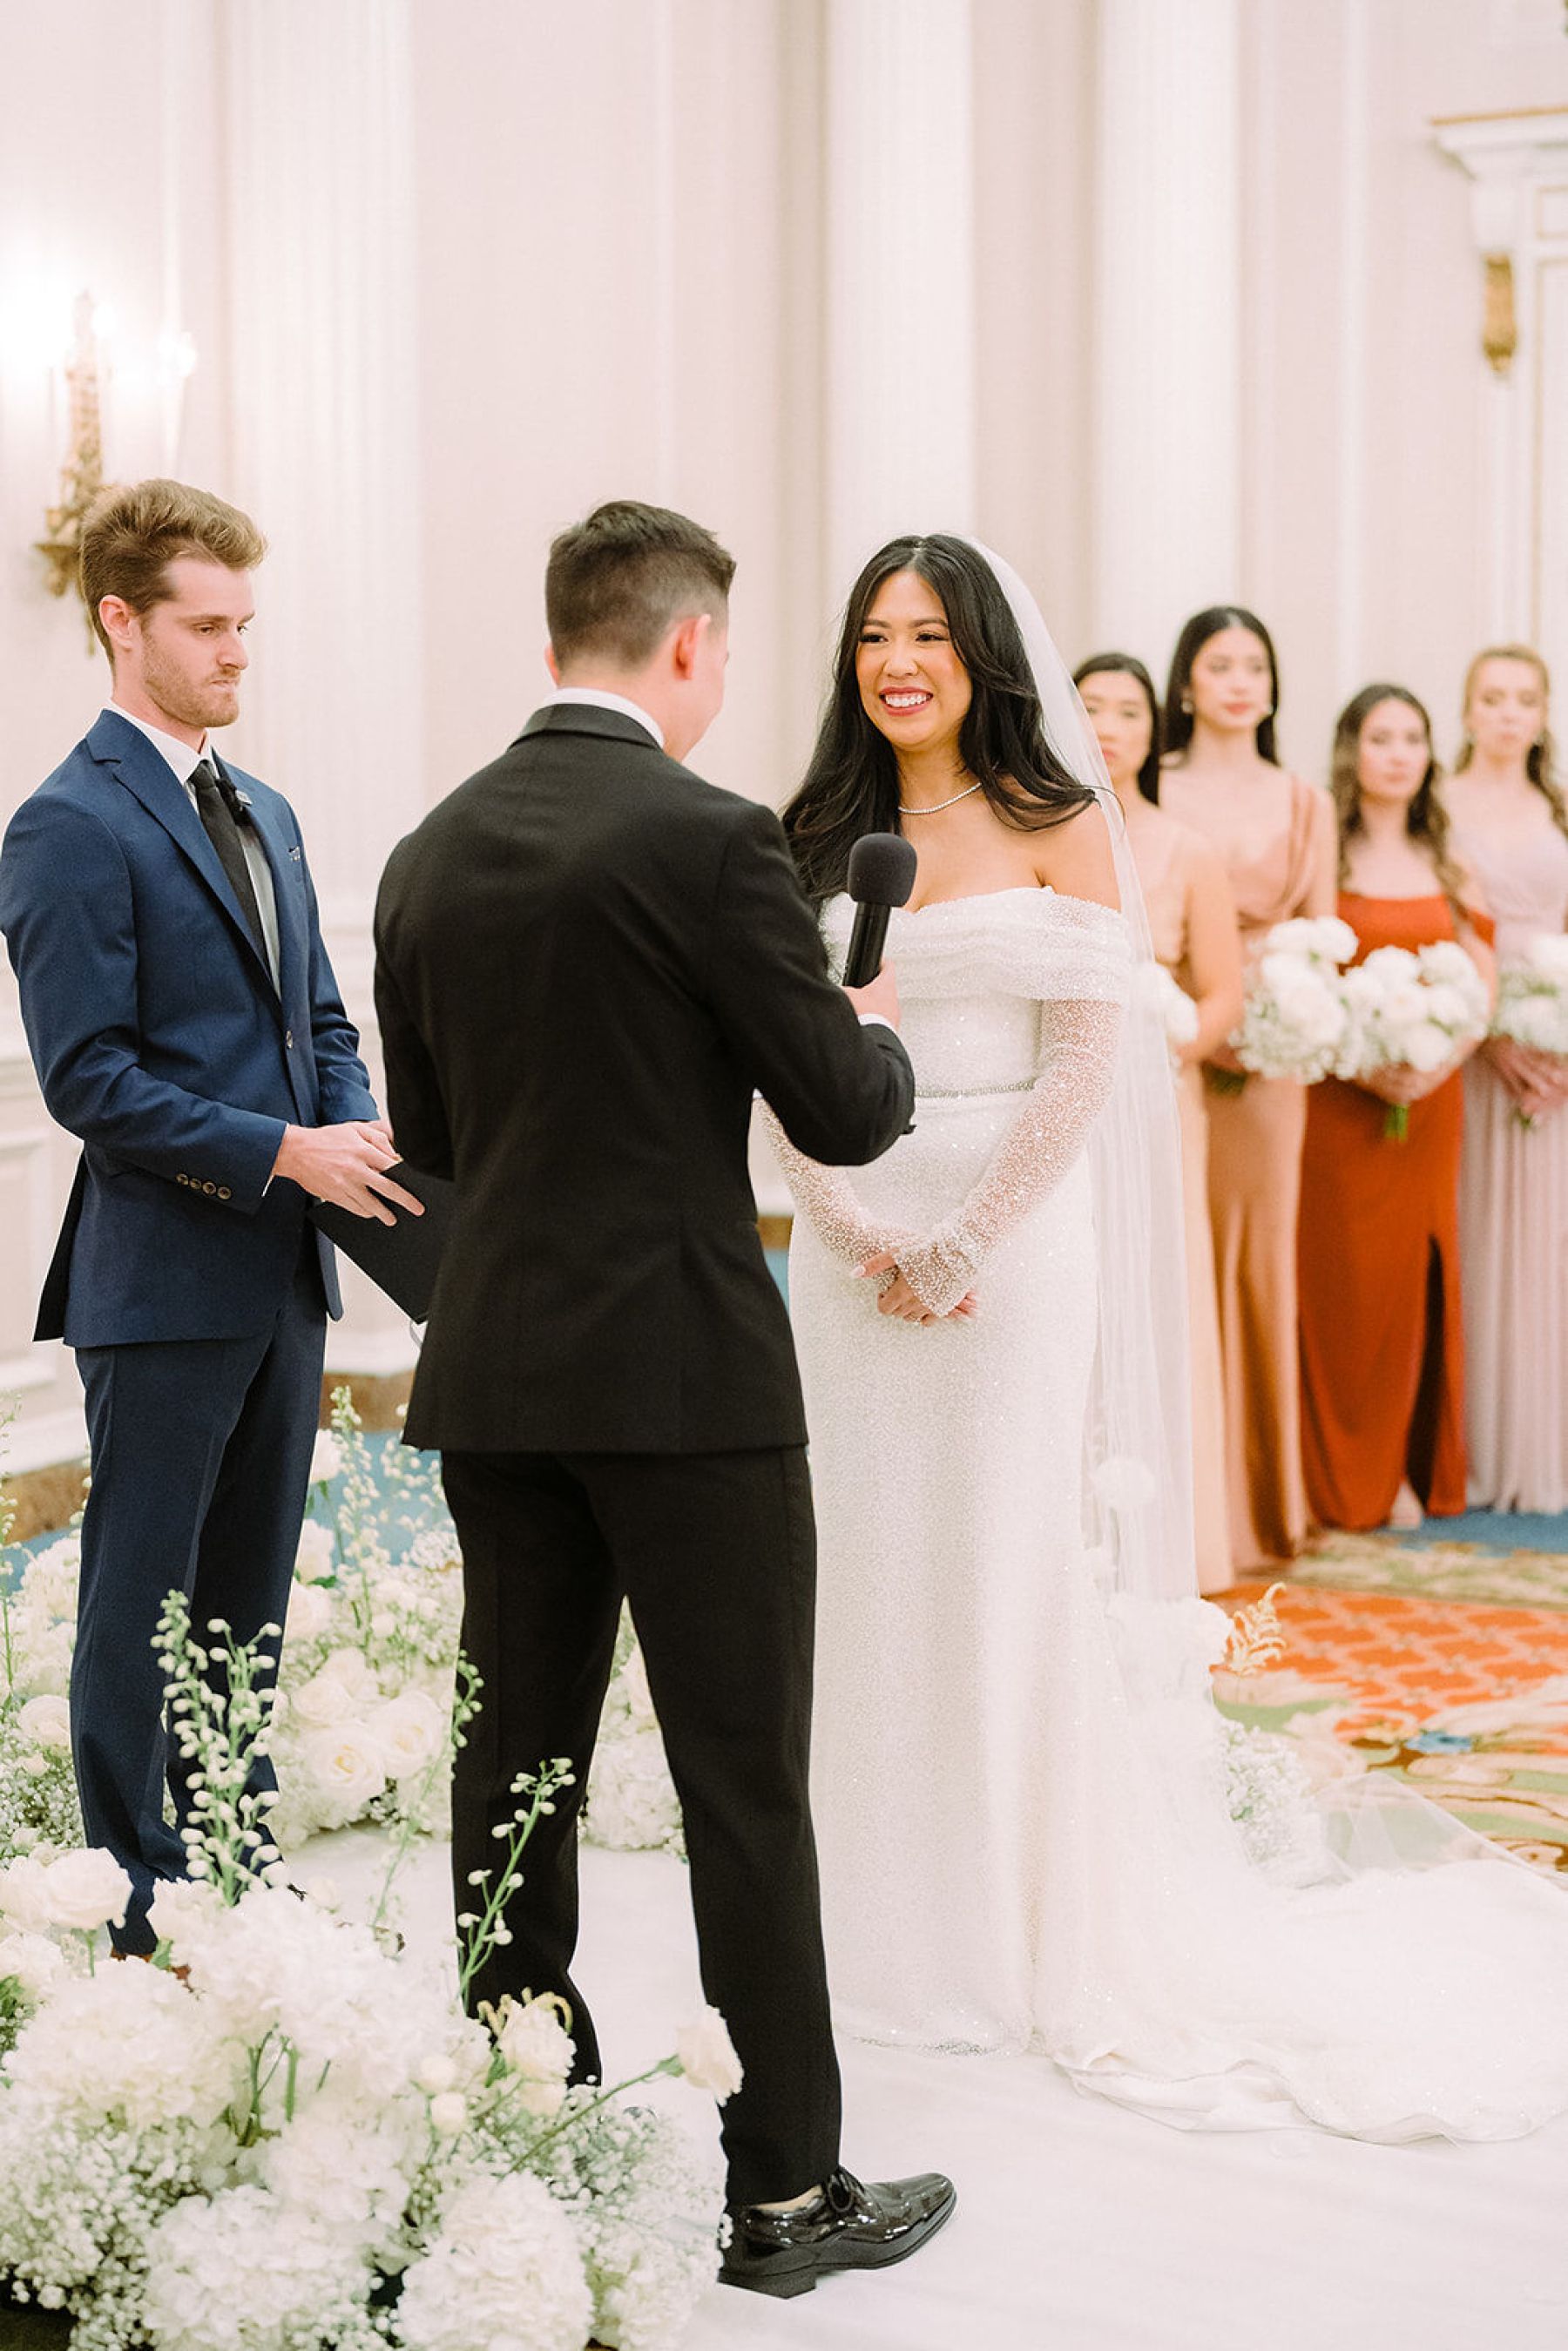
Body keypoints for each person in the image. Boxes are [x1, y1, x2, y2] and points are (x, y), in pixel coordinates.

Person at [767, 530, 1568, 2140]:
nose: (895, 658)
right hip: (853, 1258)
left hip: (1009, 1240)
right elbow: (773, 1059)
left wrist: (968, 1234)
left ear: (984, 651)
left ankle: (1001, 1923)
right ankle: (864, 1914)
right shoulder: (813, 833)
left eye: (926, 631)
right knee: (860, 1565)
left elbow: (1082, 1062)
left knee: (1000, 1559)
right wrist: (854, 1232)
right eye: (872, 633)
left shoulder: (1062, 824)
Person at [372, 500, 954, 2298]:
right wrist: (881, 1028)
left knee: (513, 1772)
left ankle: (516, 2144)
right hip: (690, 1383)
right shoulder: (711, 844)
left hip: (497, 1374)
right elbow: (845, 1108)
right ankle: (783, 2193)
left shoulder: (426, 849)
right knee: (739, 1786)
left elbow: (443, 1146)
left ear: (565, 634)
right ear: (689, 646)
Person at [0, 478, 409, 1955]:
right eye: (208, 623)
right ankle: (138, 1889)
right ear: (121, 621)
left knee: (247, 1590)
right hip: (161, 1275)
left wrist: (350, 1132)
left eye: (247, 621)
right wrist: (282, 1150)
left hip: (285, 1270)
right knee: (141, 1596)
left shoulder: (268, 805)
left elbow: (317, 1010)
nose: (239, 649)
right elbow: (89, 1080)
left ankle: (232, 1854)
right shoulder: (64, 823)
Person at [1160, 608, 1336, 1575]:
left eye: (1255, 665)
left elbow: (1323, 938)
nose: (1240, 680)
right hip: (1169, 1042)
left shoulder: (1306, 800)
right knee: (1177, 1258)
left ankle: (1264, 1505)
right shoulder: (1152, 784)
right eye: (1220, 664)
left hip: (1269, 1062)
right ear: (1184, 684)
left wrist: (1275, 1021)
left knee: (1260, 1259)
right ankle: (1189, 1502)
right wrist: (1195, 1020)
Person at [1297, 686, 1494, 1533]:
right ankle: (1334, 1476)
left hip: (1431, 1097)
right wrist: (1366, 1063)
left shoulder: (1450, 862)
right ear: (1352, 750)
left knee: (1415, 1276)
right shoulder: (1322, 855)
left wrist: (1432, 1059)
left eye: (1414, 737)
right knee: (1339, 1278)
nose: (1399, 753)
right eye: (1382, 737)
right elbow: (1299, 970)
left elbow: (1482, 984)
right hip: (1338, 1096)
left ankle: (1407, 1468)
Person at [1074, 652, 1241, 1591]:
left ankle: (1168, 1534)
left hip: (1159, 1105)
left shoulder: (1184, 847)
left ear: (1153, 730)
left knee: (1157, 1293)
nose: (1107, 724)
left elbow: (1223, 994)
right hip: (1061, 1102)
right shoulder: (1036, 824)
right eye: (1089, 705)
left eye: (1128, 709)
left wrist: (1166, 1037)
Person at [1443, 645, 1568, 1513]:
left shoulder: (1558, 807)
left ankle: (1543, 1441)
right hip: (1471, 1044)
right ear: (1468, 711)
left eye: (1525, 698)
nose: (1509, 712)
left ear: (1543, 712)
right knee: (1477, 1230)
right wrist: (1489, 1037)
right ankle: (1477, 1444)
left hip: (1556, 1057)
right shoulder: (1440, 806)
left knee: (1549, 1243)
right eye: (1492, 697)